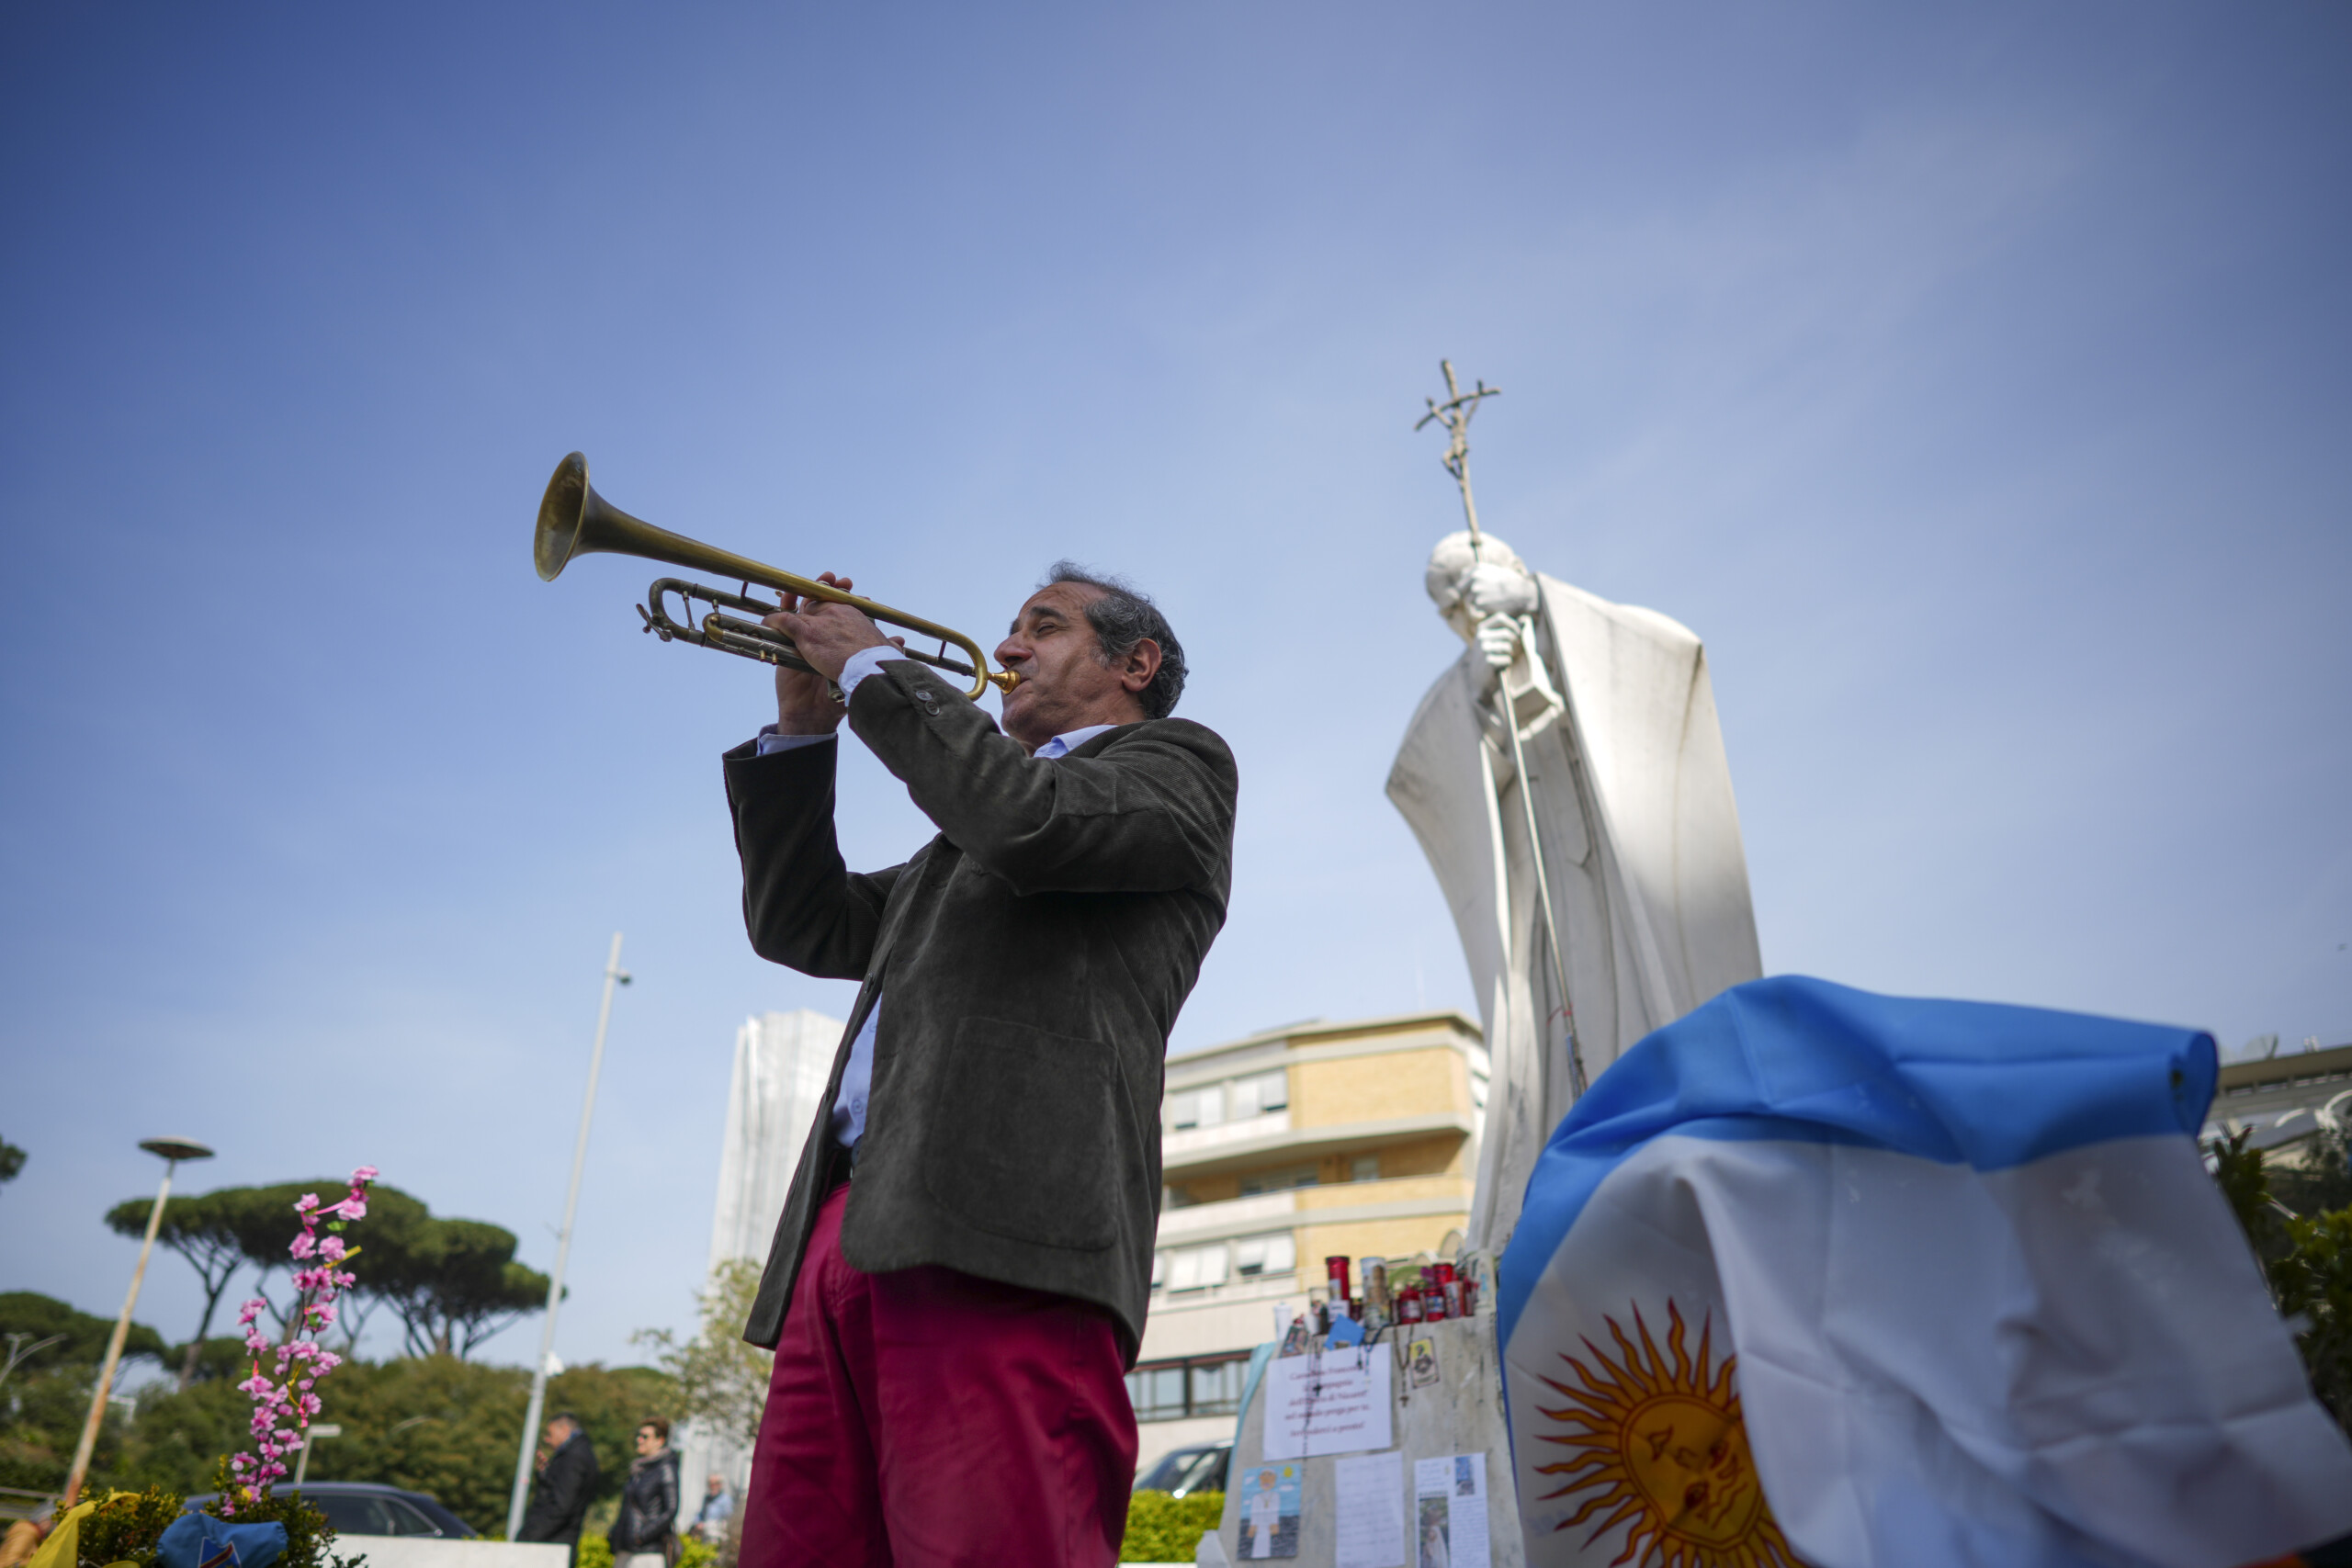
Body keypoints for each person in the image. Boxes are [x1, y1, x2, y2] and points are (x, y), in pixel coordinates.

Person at [725, 563, 1237, 1568]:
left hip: (1005, 1229)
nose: (1004, 648)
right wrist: (805, 730)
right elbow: (802, 922)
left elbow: (1025, 821)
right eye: (1011, 628)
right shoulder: (955, 843)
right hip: (846, 1227)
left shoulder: (1178, 766)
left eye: (1044, 627)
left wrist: (874, 668)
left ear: (1136, 664)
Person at [517, 1413, 600, 1567]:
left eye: (550, 1434)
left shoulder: (574, 1457)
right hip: (555, 1541)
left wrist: (529, 1537)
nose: (547, 1440)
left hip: (553, 1544)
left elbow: (562, 1506)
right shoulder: (576, 1453)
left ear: (564, 1429)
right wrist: (546, 1476)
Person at [607, 1416, 680, 1568]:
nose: (639, 1440)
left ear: (660, 1441)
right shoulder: (639, 1469)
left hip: (647, 1552)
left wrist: (641, 1536)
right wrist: (615, 1534)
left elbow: (671, 1510)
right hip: (625, 1549)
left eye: (645, 1436)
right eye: (638, 1435)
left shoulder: (666, 1469)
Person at [688, 1473, 733, 1544]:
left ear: (720, 1485)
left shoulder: (726, 1500)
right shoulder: (707, 1498)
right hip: (705, 1536)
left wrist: (706, 1525)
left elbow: (727, 1520)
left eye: (715, 1484)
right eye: (710, 1484)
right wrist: (696, 1522)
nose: (712, 1486)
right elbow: (701, 1514)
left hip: (718, 1537)